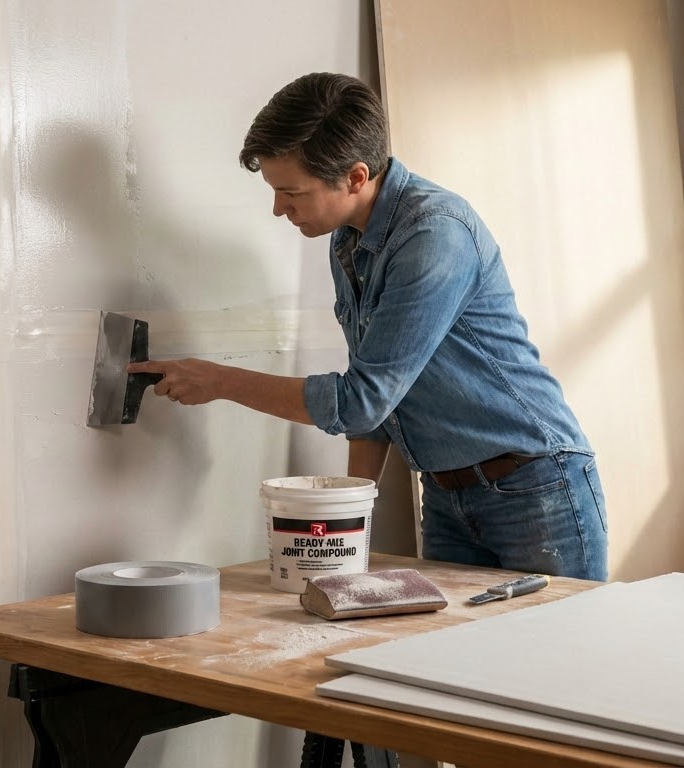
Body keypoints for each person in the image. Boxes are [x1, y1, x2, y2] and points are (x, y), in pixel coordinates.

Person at [127, 72, 607, 581]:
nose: (278, 209)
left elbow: (361, 399)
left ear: (355, 177)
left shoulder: (434, 234)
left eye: (292, 192)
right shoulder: (349, 240)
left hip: (535, 490)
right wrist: (353, 519)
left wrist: (220, 381)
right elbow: (379, 400)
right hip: (446, 493)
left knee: (555, 654)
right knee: (453, 658)